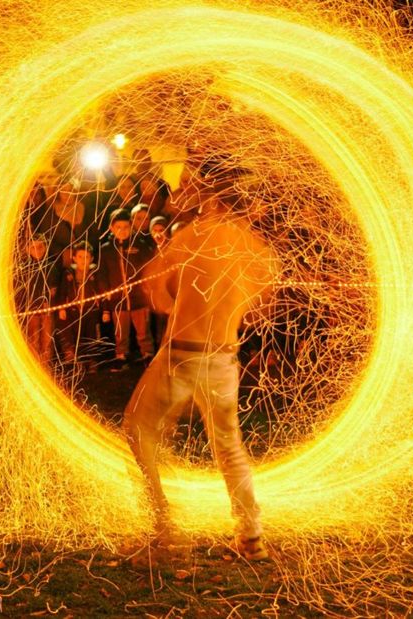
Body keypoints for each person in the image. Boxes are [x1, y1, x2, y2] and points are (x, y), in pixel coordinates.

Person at [123, 156, 278, 560]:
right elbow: (262, 303)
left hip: (181, 355)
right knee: (229, 446)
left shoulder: (193, 236)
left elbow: (155, 290)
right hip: (224, 360)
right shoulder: (257, 250)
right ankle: (251, 534)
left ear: (212, 198)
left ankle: (164, 530)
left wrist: (179, 300)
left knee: (138, 430)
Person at [98, 209, 156, 370]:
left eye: (126, 227)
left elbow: (149, 267)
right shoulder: (106, 249)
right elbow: (102, 273)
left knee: (143, 330)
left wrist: (147, 286)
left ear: (131, 227)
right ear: (111, 228)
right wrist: (106, 290)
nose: (122, 231)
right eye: (118, 227)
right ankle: (121, 355)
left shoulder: (140, 246)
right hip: (118, 300)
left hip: (139, 298)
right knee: (120, 332)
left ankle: (147, 354)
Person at [54, 241, 103, 372]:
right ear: (74, 258)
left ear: (91, 258)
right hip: (73, 310)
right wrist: (62, 307)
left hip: (90, 310)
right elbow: (62, 291)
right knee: (72, 334)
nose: (83, 260)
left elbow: (100, 290)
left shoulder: (95, 273)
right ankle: (74, 361)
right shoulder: (68, 273)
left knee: (91, 335)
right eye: (80, 257)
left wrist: (104, 309)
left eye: (86, 257)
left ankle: (91, 360)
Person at [16, 235, 58, 367]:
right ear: (27, 249)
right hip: (30, 310)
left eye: (40, 247)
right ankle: (34, 366)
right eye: (33, 247)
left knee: (47, 340)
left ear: (45, 247)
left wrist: (48, 301)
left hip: (47, 310)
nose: (37, 250)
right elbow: (21, 292)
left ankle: (45, 365)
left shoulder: (51, 267)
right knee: (33, 339)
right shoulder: (24, 269)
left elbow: (54, 289)